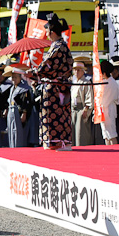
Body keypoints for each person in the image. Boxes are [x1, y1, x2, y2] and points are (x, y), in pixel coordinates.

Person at [36, 13, 74, 150]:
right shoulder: (58, 46)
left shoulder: (59, 47)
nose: (46, 33)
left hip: (56, 87)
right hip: (55, 85)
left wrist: (35, 71)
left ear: (51, 31)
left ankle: (59, 141)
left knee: (56, 115)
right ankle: (54, 141)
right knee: (54, 115)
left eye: (47, 30)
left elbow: (47, 64)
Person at [5, 67, 33, 148]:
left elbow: (25, 102)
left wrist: (24, 113)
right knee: (11, 132)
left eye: (15, 77)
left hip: (18, 112)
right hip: (11, 111)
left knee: (18, 132)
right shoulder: (12, 88)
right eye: (12, 77)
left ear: (20, 77)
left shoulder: (24, 88)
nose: (14, 79)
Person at [98, 60, 119, 146]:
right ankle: (108, 151)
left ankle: (114, 151)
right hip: (105, 109)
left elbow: (106, 98)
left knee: (111, 134)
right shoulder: (108, 82)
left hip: (108, 109)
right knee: (106, 134)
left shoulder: (110, 82)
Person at [71, 62, 94, 146]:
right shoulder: (74, 82)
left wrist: (86, 108)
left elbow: (89, 97)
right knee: (74, 132)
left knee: (81, 132)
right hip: (73, 109)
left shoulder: (86, 82)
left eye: (79, 70)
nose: (76, 72)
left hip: (81, 109)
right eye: (75, 70)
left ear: (83, 71)